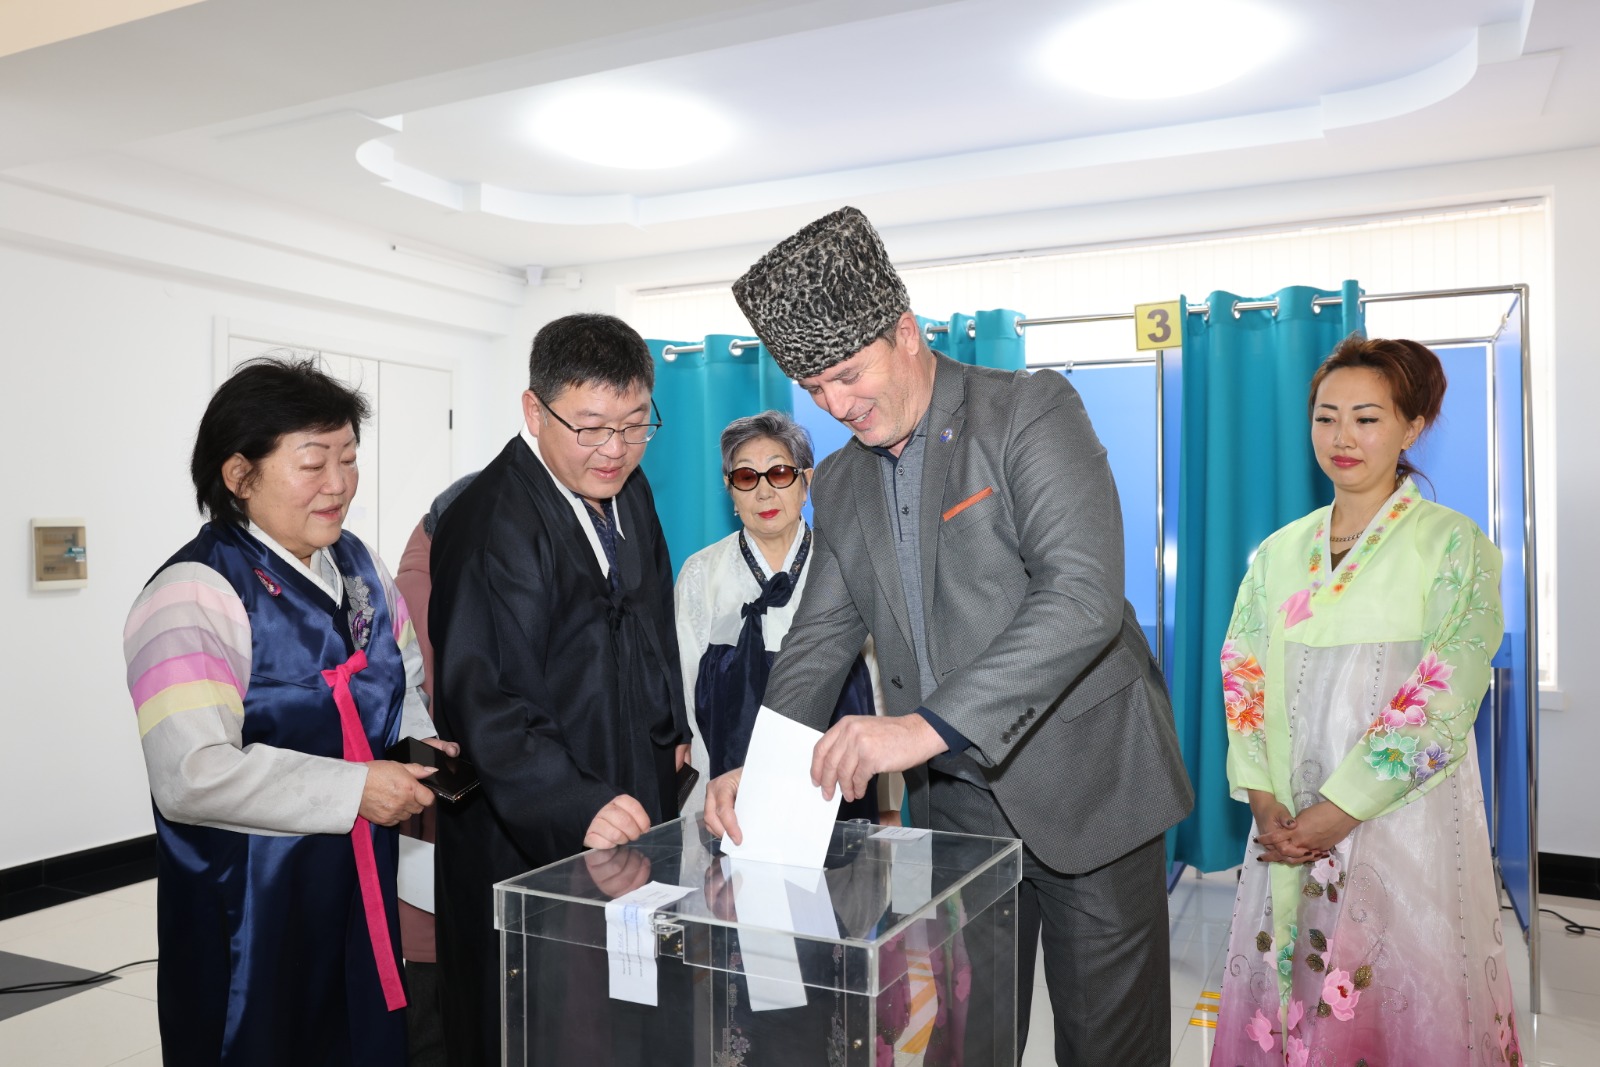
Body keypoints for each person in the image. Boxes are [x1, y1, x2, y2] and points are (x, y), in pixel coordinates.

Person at [705, 206, 1194, 1064]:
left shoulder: (1027, 411)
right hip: (960, 812)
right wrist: (767, 768)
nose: (837, 405)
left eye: (848, 374)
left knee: (1109, 1050)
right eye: (814, 388)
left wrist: (920, 727)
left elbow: (1081, 598)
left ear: (907, 332)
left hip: (1090, 789)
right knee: (968, 1044)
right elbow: (817, 641)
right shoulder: (843, 482)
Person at [123, 356, 456, 1066]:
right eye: (313, 463)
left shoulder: (360, 568)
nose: (339, 483)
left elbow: (404, 685)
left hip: (360, 882)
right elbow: (191, 774)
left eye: (349, 459)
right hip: (252, 901)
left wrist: (422, 748)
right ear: (239, 475)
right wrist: (356, 789)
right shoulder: (193, 594)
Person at [1210, 336, 1521, 1065]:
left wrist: (1341, 808)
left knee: (1395, 990)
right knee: (1291, 984)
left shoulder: (1453, 546)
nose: (1342, 437)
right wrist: (1264, 799)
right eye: (1326, 417)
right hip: (1286, 820)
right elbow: (1242, 671)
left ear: (1412, 427)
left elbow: (1445, 693)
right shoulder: (1279, 552)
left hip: (1400, 818)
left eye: (1367, 418)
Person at [428, 313, 693, 1065]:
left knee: (629, 1012)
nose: (615, 449)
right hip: (532, 820)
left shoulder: (629, 492)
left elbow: (652, 620)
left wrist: (671, 731)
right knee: (546, 1022)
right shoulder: (489, 522)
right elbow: (484, 698)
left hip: (629, 791)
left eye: (635, 425)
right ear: (533, 410)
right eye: (592, 427)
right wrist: (576, 802)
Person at [674, 410, 897, 822]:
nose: (763, 493)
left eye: (779, 474)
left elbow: (880, 690)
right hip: (731, 785)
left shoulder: (847, 564)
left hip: (838, 781)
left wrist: (888, 801)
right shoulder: (701, 574)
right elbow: (688, 699)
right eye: (746, 477)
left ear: (806, 482)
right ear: (730, 489)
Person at [392, 473, 477, 1067]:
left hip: (441, 804)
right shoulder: (420, 593)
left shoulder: (426, 577)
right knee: (431, 984)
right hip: (435, 806)